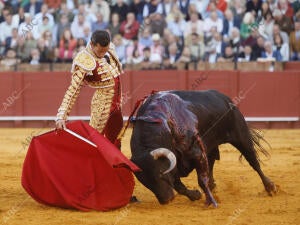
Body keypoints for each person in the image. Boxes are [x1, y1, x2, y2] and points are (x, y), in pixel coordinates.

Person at [55, 30, 123, 148]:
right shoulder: (84, 60)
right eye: (100, 50)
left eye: (105, 50)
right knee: (95, 140)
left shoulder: (110, 48)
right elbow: (73, 90)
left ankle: (115, 165)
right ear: (92, 44)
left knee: (116, 137)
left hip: (117, 103)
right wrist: (62, 115)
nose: (103, 53)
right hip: (102, 103)